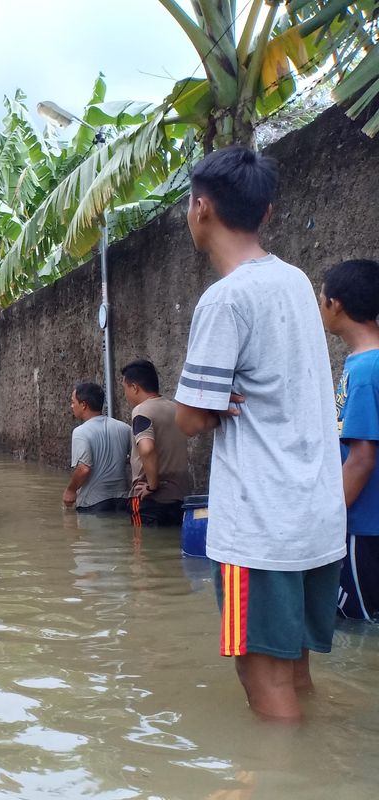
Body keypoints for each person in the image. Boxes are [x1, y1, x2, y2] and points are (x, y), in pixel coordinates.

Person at [174, 145, 344, 721]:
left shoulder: (225, 300)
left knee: (258, 670)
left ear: (201, 209)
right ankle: (316, 766)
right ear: (267, 213)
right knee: (294, 667)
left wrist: (209, 404)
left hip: (261, 525)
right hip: (317, 516)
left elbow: (191, 419)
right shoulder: (296, 282)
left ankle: (283, 780)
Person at [318, 258, 379, 621]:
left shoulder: (366, 370)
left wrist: (327, 519)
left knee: (358, 625)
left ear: (335, 304)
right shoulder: (363, 364)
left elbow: (362, 459)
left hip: (362, 526)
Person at [120, 359, 191, 526]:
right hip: (179, 497)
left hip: (149, 500)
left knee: (142, 548)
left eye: (125, 388)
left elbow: (146, 449)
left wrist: (152, 486)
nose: (125, 394)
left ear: (135, 387)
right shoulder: (175, 409)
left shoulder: (141, 411)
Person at [63, 382, 131, 513]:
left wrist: (70, 490)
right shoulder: (125, 428)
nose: (72, 406)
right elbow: (136, 460)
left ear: (83, 405)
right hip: (123, 501)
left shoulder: (80, 432)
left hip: (93, 504)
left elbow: (83, 469)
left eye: (73, 402)